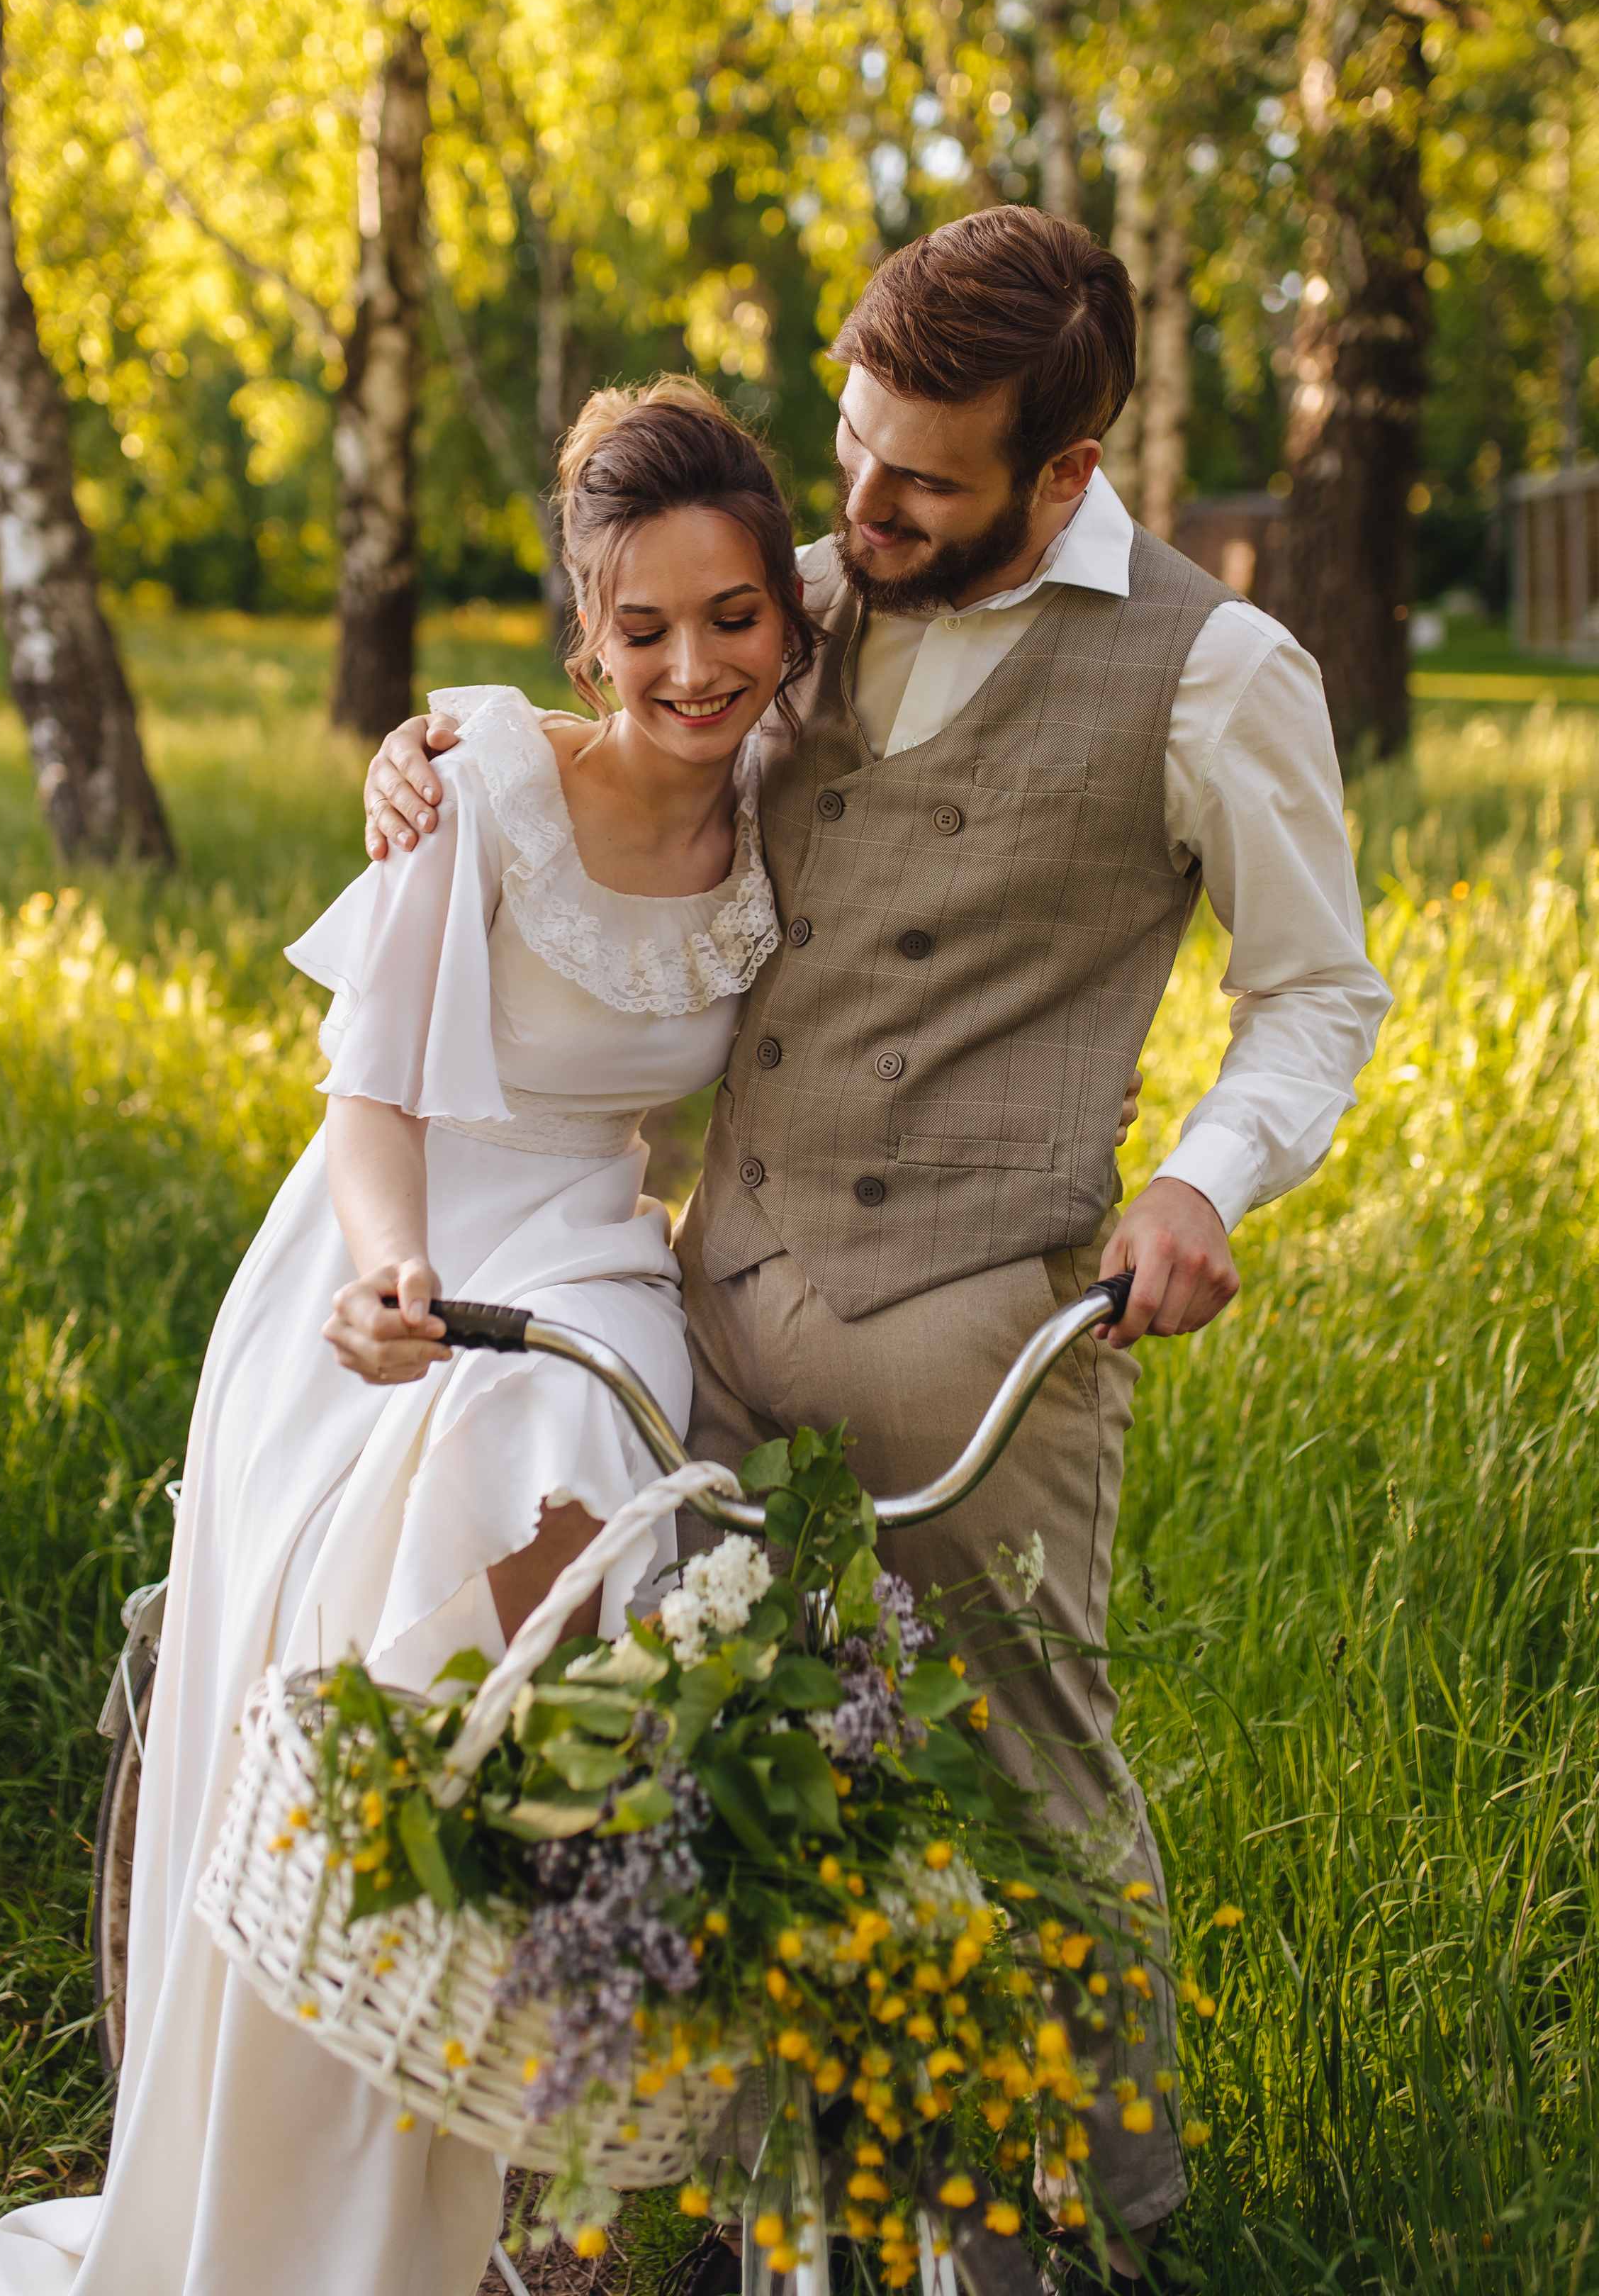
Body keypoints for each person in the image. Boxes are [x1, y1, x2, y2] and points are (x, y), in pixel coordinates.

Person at [366, 208, 1391, 2290]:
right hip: (715, 1290)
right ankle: (732, 2199)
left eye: (922, 477)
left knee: (1021, 1768)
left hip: (978, 1329)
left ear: (1065, 472)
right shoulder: (814, 599)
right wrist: (438, 750)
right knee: (690, 1744)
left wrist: (1204, 1181)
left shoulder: (1216, 671)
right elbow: (629, 698)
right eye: (851, 444)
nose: (862, 504)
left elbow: (1317, 992)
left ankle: (1091, 2226)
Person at [0, 380, 819, 2296]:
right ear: (586, 633)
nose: (694, 666)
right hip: (393, 1243)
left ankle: (504, 1989)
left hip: (597, 1243)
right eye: (643, 627)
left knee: (574, 1476)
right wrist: (392, 1281)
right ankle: (339, 1985)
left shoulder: (789, 779)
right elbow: (370, 1093)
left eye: (735, 617)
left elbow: (899, 566)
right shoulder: (478, 781)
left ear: (787, 611)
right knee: (397, 1529)